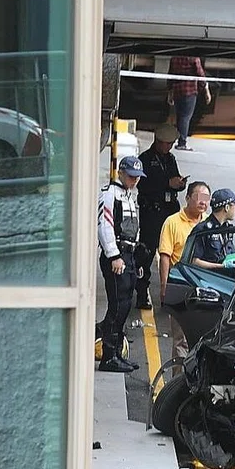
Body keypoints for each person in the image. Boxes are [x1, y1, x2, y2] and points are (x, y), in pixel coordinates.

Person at [97, 156, 147, 373]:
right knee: (117, 306)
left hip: (129, 255)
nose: (134, 180)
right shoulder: (110, 194)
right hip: (117, 256)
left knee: (125, 306)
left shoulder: (128, 195)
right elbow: (105, 226)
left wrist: (137, 260)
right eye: (131, 176)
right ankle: (109, 355)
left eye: (137, 177)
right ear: (121, 173)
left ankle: (116, 352)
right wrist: (113, 255)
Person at [134, 124, 187, 309]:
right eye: (166, 144)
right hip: (152, 213)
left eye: (171, 144)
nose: (169, 147)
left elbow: (174, 179)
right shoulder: (145, 160)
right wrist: (166, 182)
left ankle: (172, 293)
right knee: (146, 254)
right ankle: (141, 292)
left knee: (174, 254)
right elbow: (142, 185)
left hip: (169, 211)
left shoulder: (170, 159)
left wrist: (179, 184)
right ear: (158, 142)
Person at [158, 181, 210, 367]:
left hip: (204, 290)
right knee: (181, 340)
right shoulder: (172, 222)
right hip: (180, 288)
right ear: (187, 198)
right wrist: (165, 288)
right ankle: (178, 386)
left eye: (206, 198)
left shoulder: (209, 224)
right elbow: (165, 257)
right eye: (198, 197)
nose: (203, 202)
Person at [193, 189, 235, 269]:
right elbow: (194, 261)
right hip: (208, 277)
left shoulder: (227, 229)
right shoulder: (203, 230)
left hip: (226, 277)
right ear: (227, 207)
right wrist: (222, 266)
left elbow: (231, 254)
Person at [168, 56, 212, 151]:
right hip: (189, 91)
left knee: (180, 117)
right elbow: (200, 74)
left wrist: (170, 93)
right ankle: (182, 143)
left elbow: (170, 75)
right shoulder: (193, 58)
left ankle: (180, 140)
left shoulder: (174, 57)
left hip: (177, 90)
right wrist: (206, 89)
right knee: (185, 117)